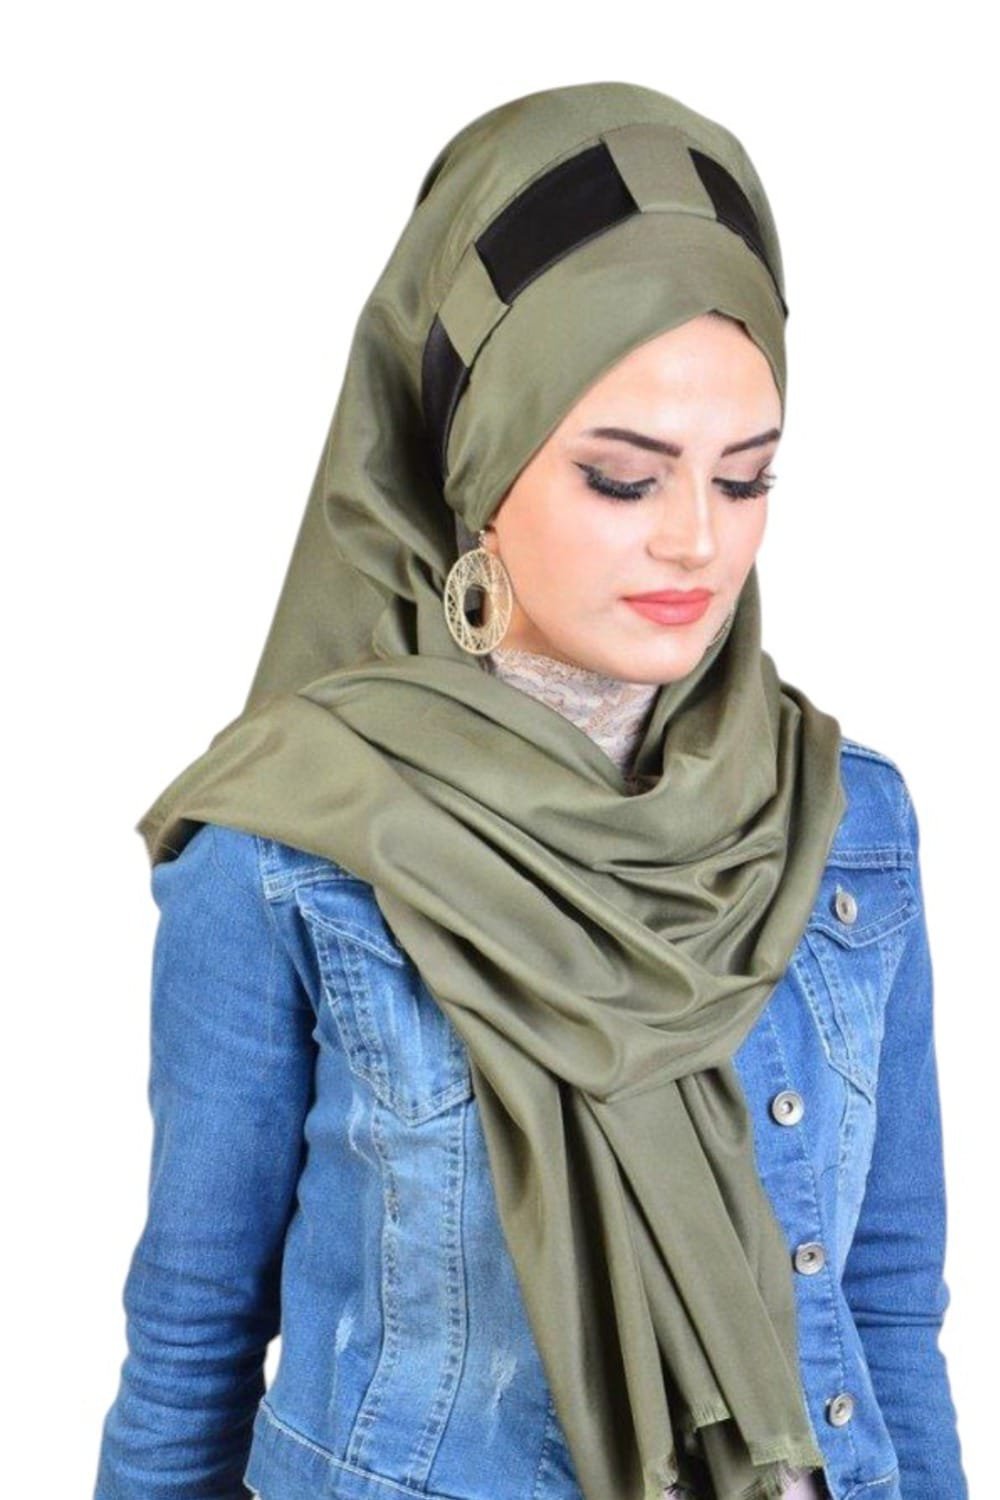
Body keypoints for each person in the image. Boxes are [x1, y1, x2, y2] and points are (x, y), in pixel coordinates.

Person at [92, 81, 968, 1500]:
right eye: (624, 478)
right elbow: (193, 1345)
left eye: (745, 479)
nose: (696, 542)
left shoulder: (844, 820)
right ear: (481, 460)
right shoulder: (285, 844)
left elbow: (886, 1312)